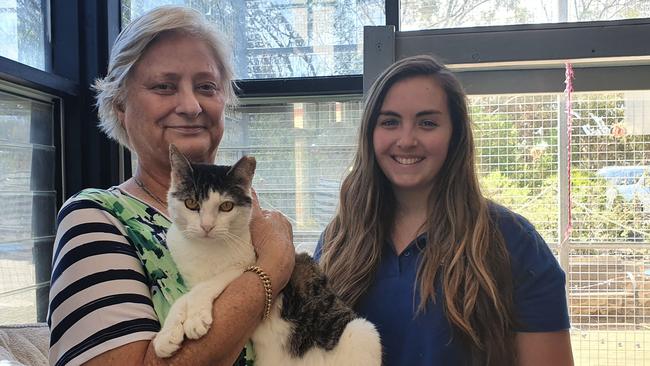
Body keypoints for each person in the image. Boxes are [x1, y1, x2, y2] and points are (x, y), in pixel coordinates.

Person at [47, 6, 295, 366]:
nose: (192, 106)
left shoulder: (247, 210)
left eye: (206, 87)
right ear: (119, 104)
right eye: (164, 86)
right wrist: (272, 267)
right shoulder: (95, 219)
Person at [315, 55, 574, 366]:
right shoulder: (338, 241)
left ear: (455, 135)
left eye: (427, 123)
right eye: (389, 122)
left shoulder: (513, 242)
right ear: (370, 134)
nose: (406, 140)